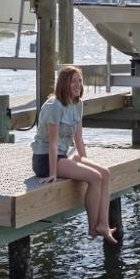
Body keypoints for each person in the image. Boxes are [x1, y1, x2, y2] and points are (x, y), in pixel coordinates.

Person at [33, 65, 120, 246]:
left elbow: (78, 138)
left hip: (64, 155)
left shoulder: (78, 104)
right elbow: (53, 143)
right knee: (95, 178)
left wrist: (84, 160)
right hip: (47, 159)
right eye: (73, 81)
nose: (78, 85)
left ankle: (103, 224)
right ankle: (92, 227)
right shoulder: (54, 106)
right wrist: (53, 174)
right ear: (64, 83)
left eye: (80, 81)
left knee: (105, 173)